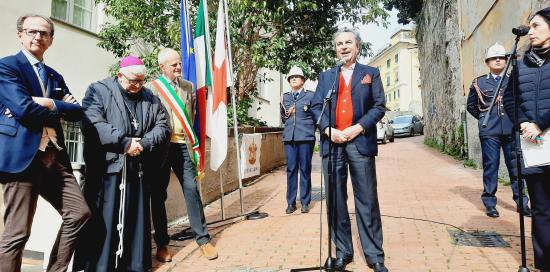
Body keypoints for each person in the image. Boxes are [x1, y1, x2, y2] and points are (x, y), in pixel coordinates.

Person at [0, 14, 91, 272]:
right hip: (22, 158)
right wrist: (60, 107)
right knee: (17, 234)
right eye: (31, 31)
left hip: (55, 157)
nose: (37, 37)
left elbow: (77, 112)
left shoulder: (54, 76)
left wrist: (50, 103)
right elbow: (24, 110)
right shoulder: (7, 67)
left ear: (51, 40)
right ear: (20, 35)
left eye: (43, 33)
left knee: (79, 213)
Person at [76, 56, 170, 271]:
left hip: (137, 169)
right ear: (120, 75)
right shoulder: (98, 90)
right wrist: (125, 143)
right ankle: (102, 266)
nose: (137, 86)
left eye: (141, 81)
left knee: (134, 221)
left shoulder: (149, 96)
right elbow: (93, 122)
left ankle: (133, 265)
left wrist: (144, 143)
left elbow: (163, 125)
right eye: (132, 81)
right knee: (105, 222)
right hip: (107, 170)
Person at [311, 28, 388, 272]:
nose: (343, 47)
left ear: (357, 47)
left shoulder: (371, 74)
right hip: (332, 144)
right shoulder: (326, 77)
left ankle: (375, 255)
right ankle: (343, 251)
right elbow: (315, 107)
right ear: (336, 49)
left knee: (366, 200)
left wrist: (358, 128)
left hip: (360, 142)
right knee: (335, 201)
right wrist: (327, 130)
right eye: (339, 44)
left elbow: (378, 107)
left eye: (348, 43)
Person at [147, 48, 218, 262]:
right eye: (174, 65)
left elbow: (192, 115)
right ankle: (162, 244)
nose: (179, 67)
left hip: (183, 147)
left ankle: (203, 240)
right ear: (162, 67)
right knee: (158, 196)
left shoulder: (188, 87)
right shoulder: (151, 88)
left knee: (192, 192)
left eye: (179, 63)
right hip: (161, 149)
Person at [503, 7, 550, 272]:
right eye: (529, 27)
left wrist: (540, 123)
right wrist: (523, 123)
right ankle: (544, 263)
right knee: (541, 208)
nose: (530, 32)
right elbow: (509, 98)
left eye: (536, 26)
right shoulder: (520, 65)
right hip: (532, 142)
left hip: (544, 131)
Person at [466, 42, 531, 218]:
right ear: (487, 62)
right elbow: (472, 106)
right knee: (491, 167)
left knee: (516, 167)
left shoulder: (514, 79)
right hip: (490, 132)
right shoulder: (479, 82)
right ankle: (490, 203)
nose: (497, 60)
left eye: (501, 58)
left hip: (512, 129)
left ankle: (522, 202)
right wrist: (484, 121)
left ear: (506, 61)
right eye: (493, 58)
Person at [280, 66, 315, 214]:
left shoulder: (310, 96)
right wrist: (288, 113)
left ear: (303, 80)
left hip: (306, 137)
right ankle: (291, 202)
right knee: (291, 170)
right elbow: (282, 117)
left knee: (305, 169)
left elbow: (316, 115)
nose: (293, 79)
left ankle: (305, 202)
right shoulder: (285, 97)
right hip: (290, 137)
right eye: (291, 77)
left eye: (297, 77)